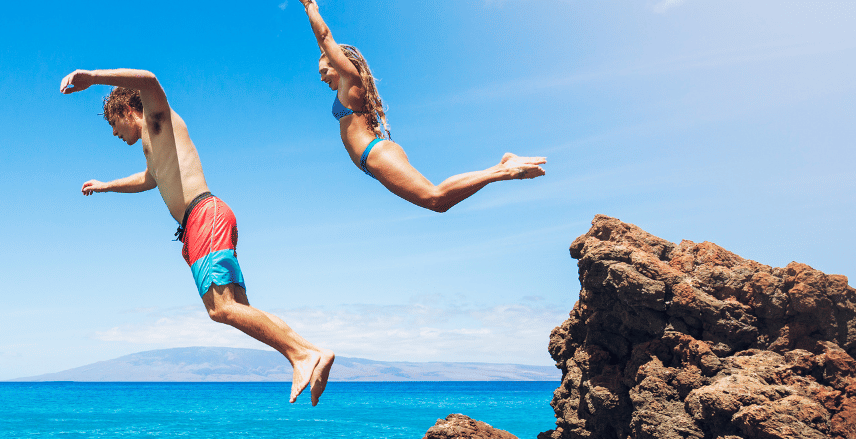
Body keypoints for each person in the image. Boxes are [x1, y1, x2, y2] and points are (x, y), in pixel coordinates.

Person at [60, 68, 336, 405]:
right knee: (238, 308)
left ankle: (302, 355)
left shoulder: (158, 118)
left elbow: (148, 79)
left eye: (112, 124)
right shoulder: (153, 146)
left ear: (124, 110)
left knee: (221, 310)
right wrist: (106, 186)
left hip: (204, 216)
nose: (114, 133)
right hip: (202, 222)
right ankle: (309, 352)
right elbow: (149, 179)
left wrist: (91, 77)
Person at [299, 0, 546, 212]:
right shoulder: (345, 85)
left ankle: (504, 169)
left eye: (324, 70)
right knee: (437, 202)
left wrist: (309, 5)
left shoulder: (349, 79)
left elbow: (324, 38)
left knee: (435, 198)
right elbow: (323, 45)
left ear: (338, 64)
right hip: (372, 157)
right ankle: (503, 167)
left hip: (374, 153)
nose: (321, 78)